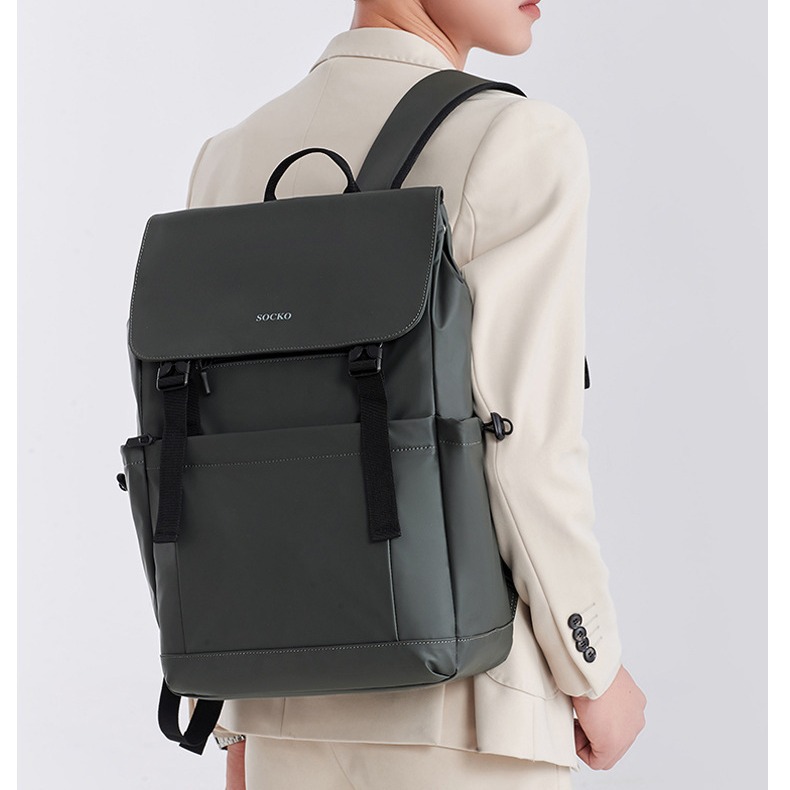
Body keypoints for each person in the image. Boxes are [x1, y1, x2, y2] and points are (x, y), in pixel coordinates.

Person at [185, 1, 647, 787]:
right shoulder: (515, 139)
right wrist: (593, 664)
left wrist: (237, 723)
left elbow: (218, 458)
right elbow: (523, 445)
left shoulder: (229, 156)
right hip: (466, 710)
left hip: (280, 720)